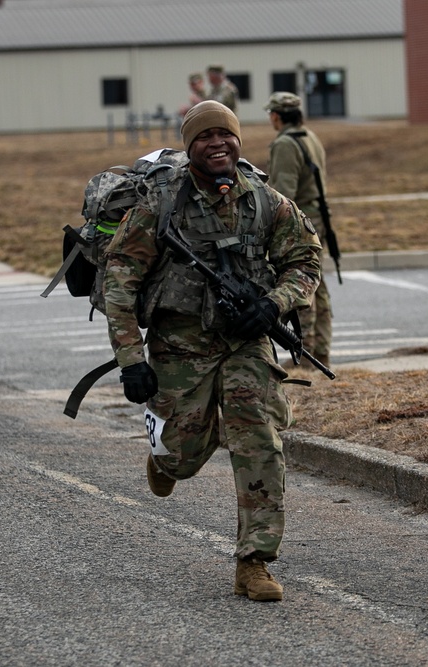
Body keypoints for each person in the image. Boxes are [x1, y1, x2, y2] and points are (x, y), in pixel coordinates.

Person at [102, 100, 322, 602]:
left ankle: (255, 562)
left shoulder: (266, 201)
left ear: (239, 141)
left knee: (260, 437)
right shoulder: (161, 206)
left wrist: (273, 304)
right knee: (183, 455)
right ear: (190, 145)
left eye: (226, 135)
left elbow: (306, 260)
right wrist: (131, 360)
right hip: (181, 346)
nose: (217, 143)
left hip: (246, 343)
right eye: (205, 137)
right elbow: (120, 280)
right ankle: (165, 458)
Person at [264, 91, 332, 368]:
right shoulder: (310, 137)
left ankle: (306, 354)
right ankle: (321, 350)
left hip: (300, 221)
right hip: (318, 216)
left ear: (276, 116)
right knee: (319, 285)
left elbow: (283, 194)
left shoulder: (285, 144)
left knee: (300, 284)